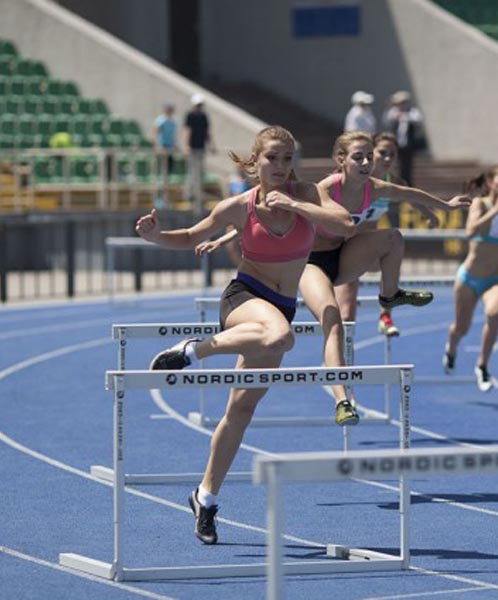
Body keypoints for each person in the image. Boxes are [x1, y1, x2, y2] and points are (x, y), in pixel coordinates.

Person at [135, 126, 354, 545]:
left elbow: (343, 224)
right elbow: (190, 236)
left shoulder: (305, 193)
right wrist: (154, 236)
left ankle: (205, 497)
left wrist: (296, 205)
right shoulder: (238, 207)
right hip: (244, 299)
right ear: (255, 161)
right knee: (280, 336)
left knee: (241, 411)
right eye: (273, 157)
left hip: (282, 305)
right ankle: (193, 350)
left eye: (288, 158)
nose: (281, 166)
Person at [303, 131, 470, 410]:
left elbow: (408, 193)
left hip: (345, 255)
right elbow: (290, 217)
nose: (367, 162)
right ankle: (343, 400)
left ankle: (389, 298)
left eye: (369, 156)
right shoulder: (327, 188)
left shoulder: (376, 187)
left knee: (393, 237)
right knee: (335, 320)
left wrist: (446, 205)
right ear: (341, 160)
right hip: (312, 263)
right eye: (359, 157)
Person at [333, 131, 437, 338]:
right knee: (346, 316)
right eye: (382, 153)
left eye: (393, 154)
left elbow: (411, 196)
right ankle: (335, 364)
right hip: (345, 250)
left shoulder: (391, 182)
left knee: (390, 257)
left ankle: (385, 315)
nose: (388, 158)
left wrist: (430, 215)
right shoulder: (353, 178)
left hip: (369, 249)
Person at [443, 164, 498, 392]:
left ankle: (482, 365)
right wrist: (494, 211)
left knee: (494, 312)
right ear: (491, 182)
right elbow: (470, 231)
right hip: (469, 278)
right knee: (461, 327)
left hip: (496, 278)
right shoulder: (481, 204)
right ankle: (451, 349)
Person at [382, 90, 424, 186]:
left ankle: (407, 183)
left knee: (407, 166)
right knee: (393, 165)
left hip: (408, 145)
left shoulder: (412, 112)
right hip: (395, 144)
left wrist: (406, 117)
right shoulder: (393, 112)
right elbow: (386, 120)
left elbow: (417, 120)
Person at [184, 93, 214, 213]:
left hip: (201, 148)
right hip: (193, 148)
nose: (199, 107)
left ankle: (197, 193)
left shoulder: (204, 116)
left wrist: (211, 145)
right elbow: (187, 131)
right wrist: (186, 145)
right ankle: (190, 194)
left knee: (200, 171)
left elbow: (207, 132)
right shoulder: (190, 116)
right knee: (192, 171)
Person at [152, 102, 179, 208]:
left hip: (170, 149)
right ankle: (158, 199)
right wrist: (157, 146)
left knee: (167, 176)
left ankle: (166, 199)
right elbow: (155, 134)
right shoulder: (160, 121)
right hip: (162, 149)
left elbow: (173, 135)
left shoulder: (173, 121)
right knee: (161, 175)